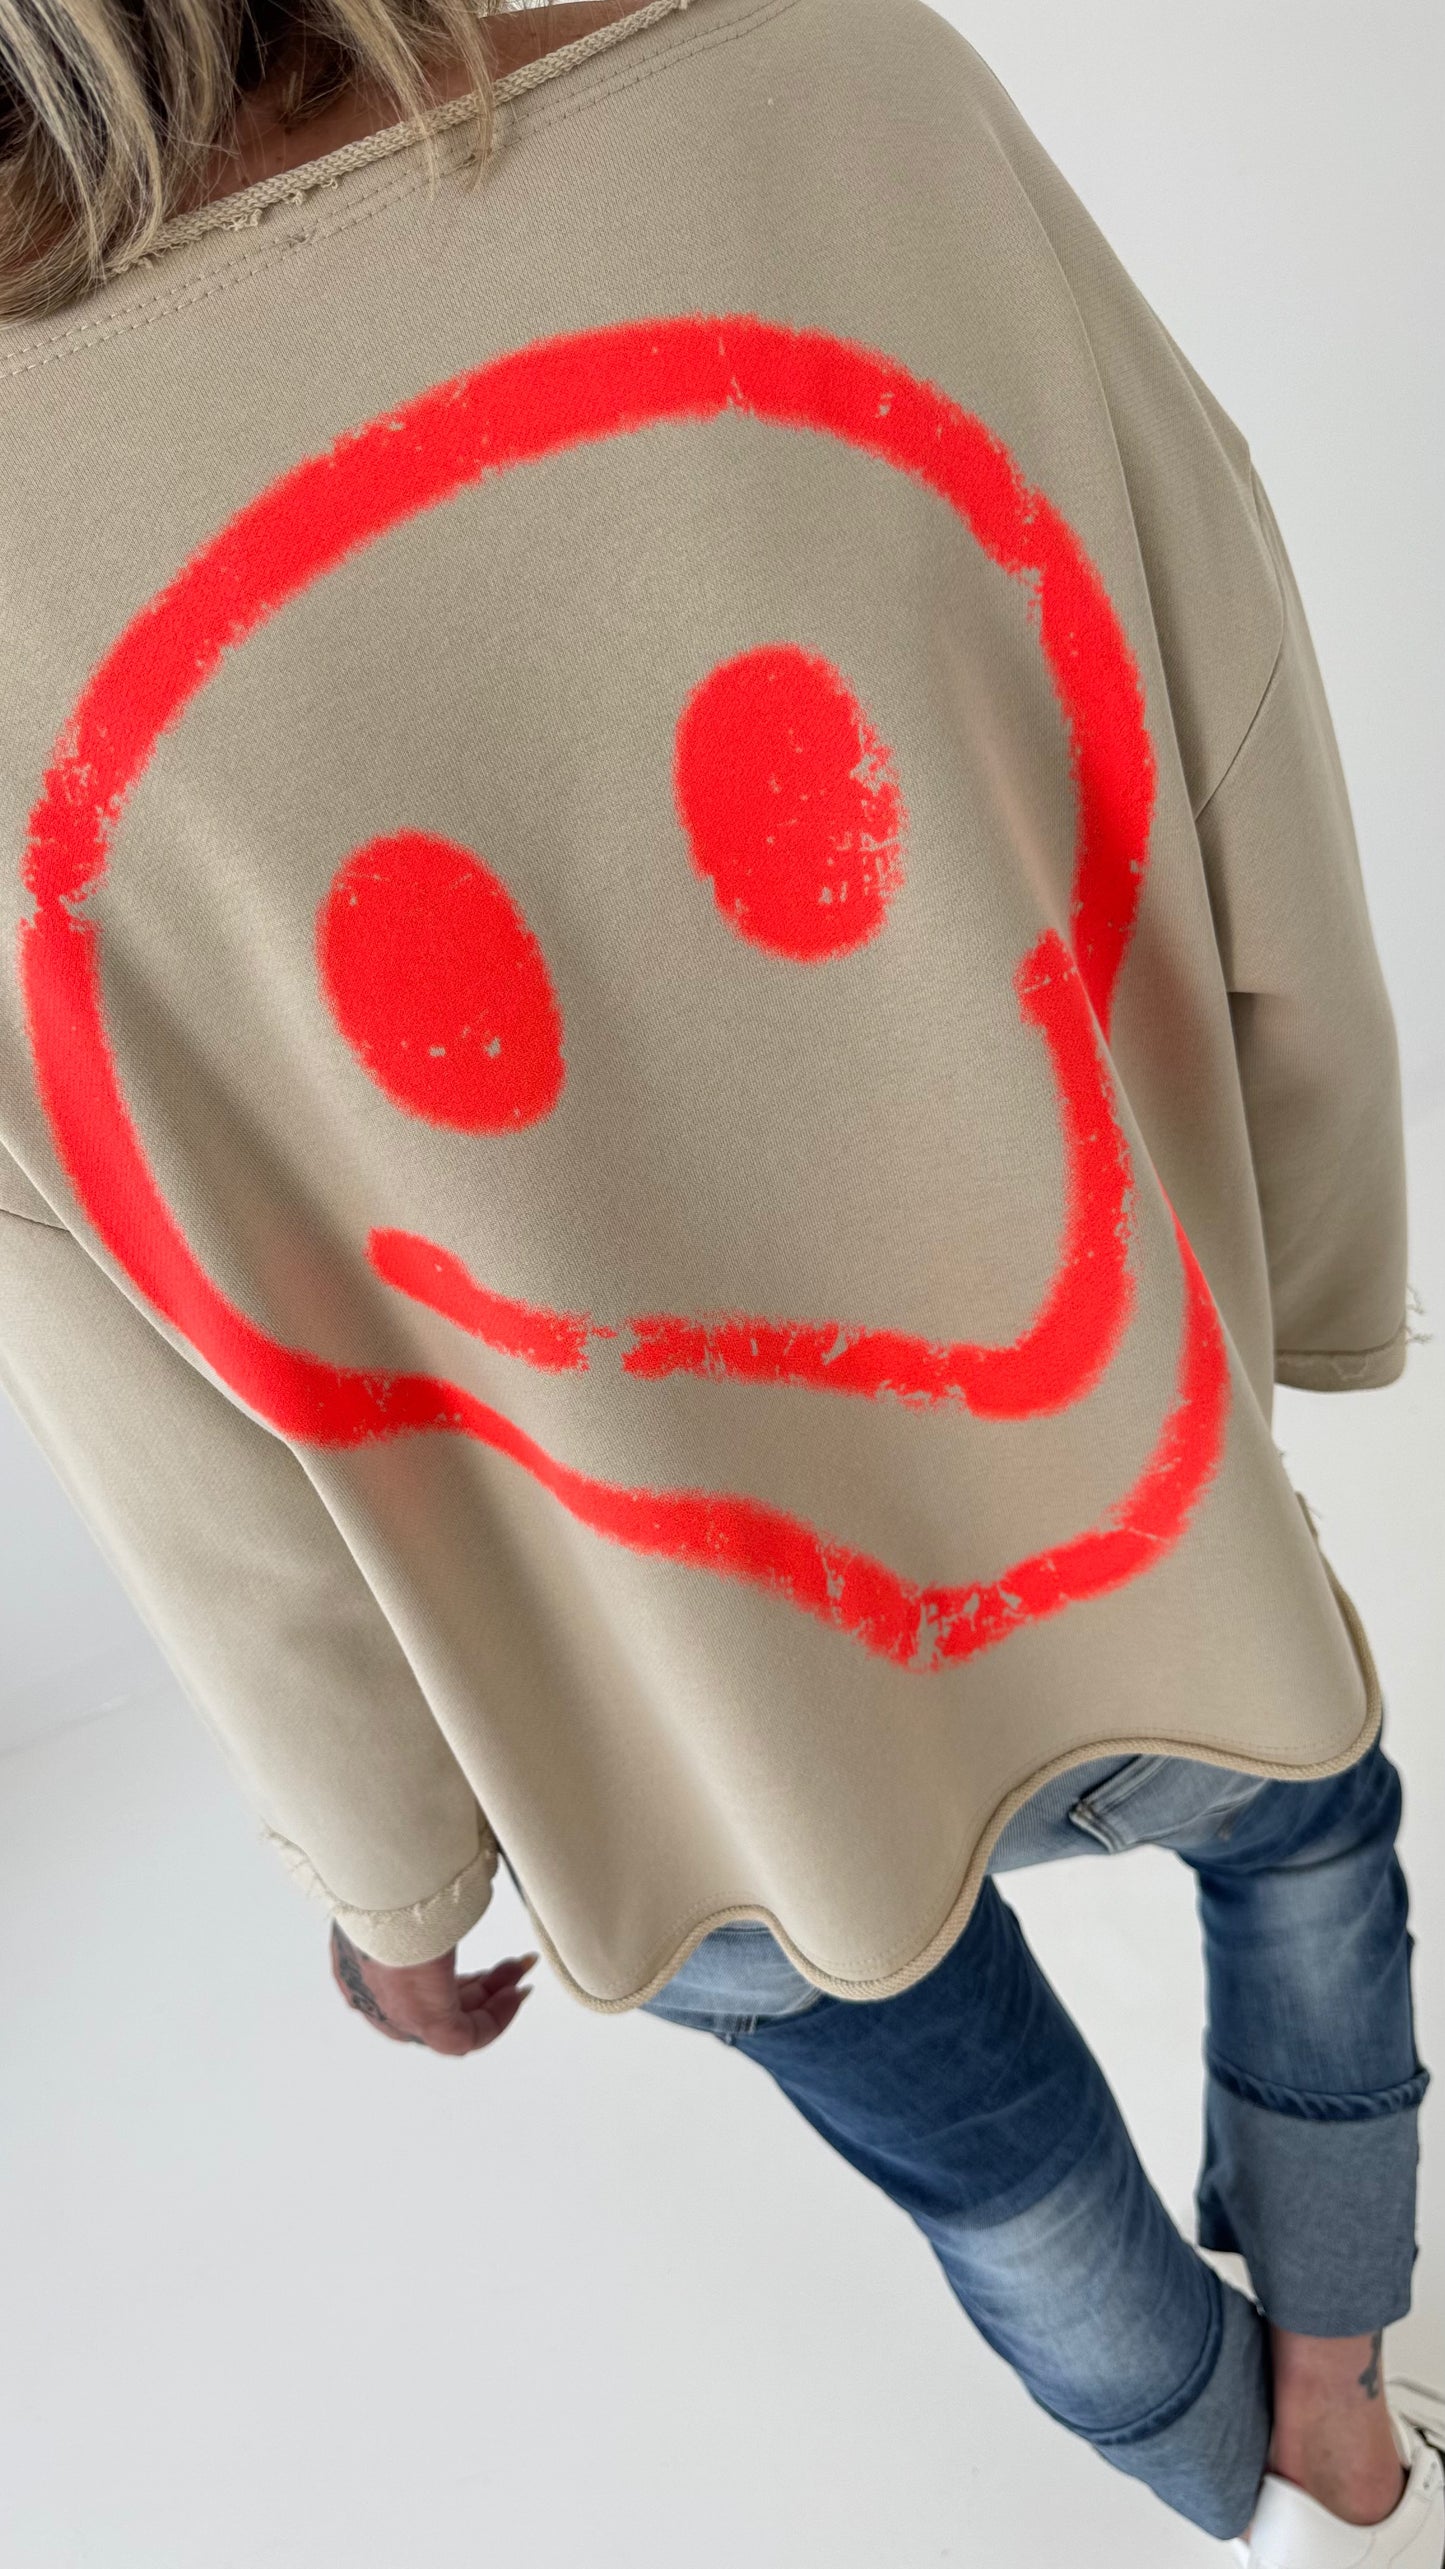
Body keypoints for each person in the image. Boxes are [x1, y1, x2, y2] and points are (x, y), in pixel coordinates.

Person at [0, 0, 1433, 2556]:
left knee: (983, 2149)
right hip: (1126, 1498)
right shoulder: (831, 86)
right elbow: (1226, 693)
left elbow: (164, 1406)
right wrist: (1318, 1273)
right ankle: (1345, 2380)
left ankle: (1232, 2469)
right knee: (1309, 1848)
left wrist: (397, 1883)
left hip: (667, 1716)